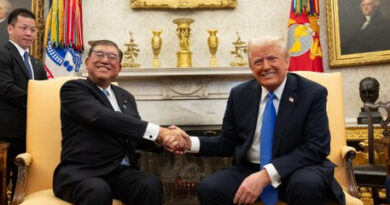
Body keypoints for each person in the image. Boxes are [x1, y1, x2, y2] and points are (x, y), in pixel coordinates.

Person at [166, 36, 345, 205]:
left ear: (286, 62)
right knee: (210, 188)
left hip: (297, 170)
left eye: (272, 58)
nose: (265, 67)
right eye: (258, 61)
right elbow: (228, 142)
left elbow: (316, 148)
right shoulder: (239, 94)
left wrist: (267, 174)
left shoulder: (312, 93)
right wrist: (189, 143)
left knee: (307, 185)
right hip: (250, 169)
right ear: (251, 67)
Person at [53, 39, 189, 205]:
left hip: (119, 172)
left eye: (112, 57)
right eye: (99, 54)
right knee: (97, 190)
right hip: (82, 172)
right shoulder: (73, 89)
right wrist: (159, 131)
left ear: (119, 68)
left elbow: (133, 133)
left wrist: (162, 140)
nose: (105, 60)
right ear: (87, 62)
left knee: (150, 185)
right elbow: (100, 117)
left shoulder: (126, 97)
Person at [0, 8, 47, 194]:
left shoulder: (37, 64)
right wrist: (37, 100)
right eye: (24, 28)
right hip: (6, 133)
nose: (29, 33)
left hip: (32, 135)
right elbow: (5, 88)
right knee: (3, 184)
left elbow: (44, 91)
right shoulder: (3, 55)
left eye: (33, 29)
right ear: (10, 29)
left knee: (25, 185)